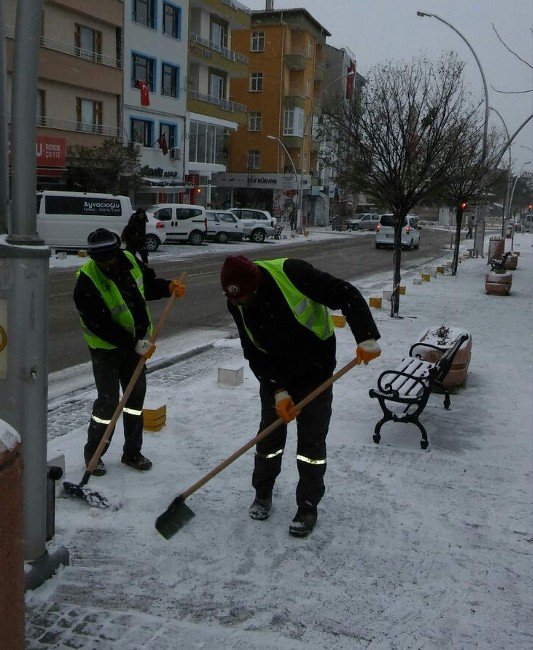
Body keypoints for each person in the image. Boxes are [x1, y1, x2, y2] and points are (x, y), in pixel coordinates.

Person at [220, 255, 381, 537]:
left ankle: (307, 505)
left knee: (311, 444)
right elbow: (253, 351)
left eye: (246, 297)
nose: (242, 304)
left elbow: (346, 294)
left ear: (256, 283)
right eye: (237, 301)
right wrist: (278, 390)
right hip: (276, 374)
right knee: (268, 438)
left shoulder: (291, 273)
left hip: (315, 370)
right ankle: (262, 493)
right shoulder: (238, 302)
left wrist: (365, 336)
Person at [74, 228, 186, 476]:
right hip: (106, 351)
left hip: (136, 347)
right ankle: (94, 454)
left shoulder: (131, 262)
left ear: (117, 252)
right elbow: (100, 325)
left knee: (135, 399)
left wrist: (167, 287)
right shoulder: (87, 282)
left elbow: (146, 286)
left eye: (110, 258)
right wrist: (134, 344)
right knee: (108, 403)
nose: (107, 264)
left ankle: (132, 452)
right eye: (100, 260)